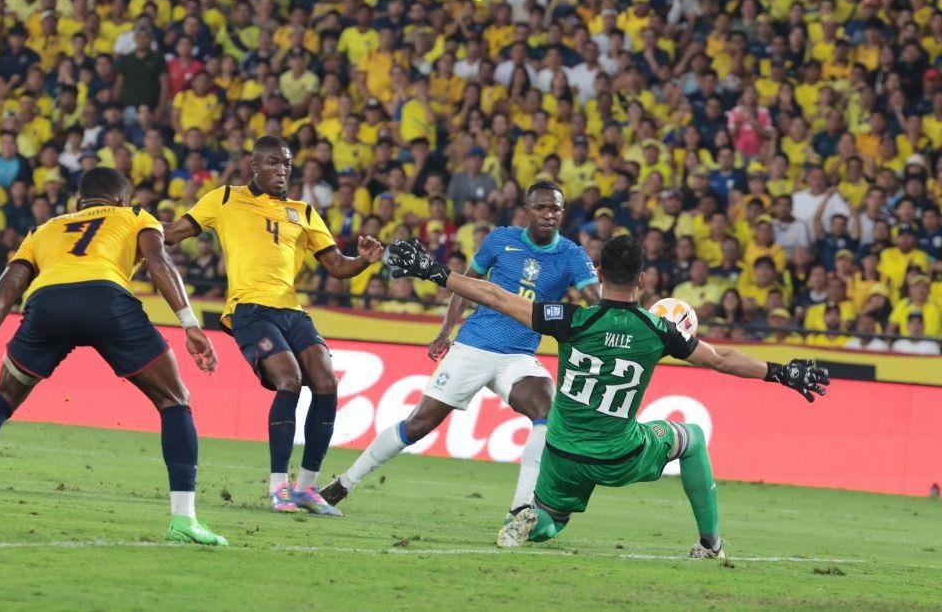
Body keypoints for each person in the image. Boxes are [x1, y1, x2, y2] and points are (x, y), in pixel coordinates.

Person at [386, 235, 828, 555]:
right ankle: (710, 544)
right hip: (621, 451)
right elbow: (722, 358)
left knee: (551, 523)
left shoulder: (572, 319)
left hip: (562, 450)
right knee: (690, 436)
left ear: (598, 274)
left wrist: (436, 272)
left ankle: (529, 519)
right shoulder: (659, 332)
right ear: (641, 278)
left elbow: (497, 297)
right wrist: (781, 373)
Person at [0, 168, 227, 546]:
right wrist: (189, 323)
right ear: (122, 200)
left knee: (3, 397)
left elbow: (5, 289)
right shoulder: (135, 216)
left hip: (48, 303)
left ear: (78, 203)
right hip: (106, 299)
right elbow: (159, 263)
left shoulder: (45, 229)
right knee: (175, 401)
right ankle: (184, 520)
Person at [321, 181, 601, 525]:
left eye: (555, 209)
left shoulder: (572, 255)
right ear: (527, 211)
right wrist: (445, 330)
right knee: (419, 424)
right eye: (541, 208)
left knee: (548, 409)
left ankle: (520, 510)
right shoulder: (500, 239)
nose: (548, 215)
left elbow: (595, 299)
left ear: (562, 214)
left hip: (519, 356)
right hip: (474, 345)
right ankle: (344, 483)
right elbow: (463, 284)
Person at [163, 135, 384, 516]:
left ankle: (306, 488)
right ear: (253, 166)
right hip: (250, 309)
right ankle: (278, 487)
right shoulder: (225, 199)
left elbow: (336, 266)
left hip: (291, 309)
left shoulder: (305, 212)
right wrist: (135, 224)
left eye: (285, 164)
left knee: (327, 382)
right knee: (289, 379)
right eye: (271, 163)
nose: (280, 170)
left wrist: (363, 260)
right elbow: (171, 233)